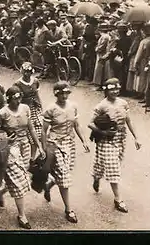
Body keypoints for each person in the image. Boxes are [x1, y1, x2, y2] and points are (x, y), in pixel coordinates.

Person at [0, 86, 45, 229]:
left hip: (24, 145)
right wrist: (6, 138)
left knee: (21, 176)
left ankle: (1, 193)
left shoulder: (25, 108)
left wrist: (39, 147)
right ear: (8, 99)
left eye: (19, 98)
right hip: (10, 149)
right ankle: (21, 215)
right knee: (19, 181)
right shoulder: (2, 113)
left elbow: (31, 128)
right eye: (15, 98)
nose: (18, 101)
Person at [89, 78, 142, 213]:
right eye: (111, 89)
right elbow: (90, 123)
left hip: (120, 139)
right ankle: (118, 199)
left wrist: (136, 137)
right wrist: (103, 131)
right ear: (106, 90)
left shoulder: (123, 103)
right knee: (113, 169)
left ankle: (96, 177)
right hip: (106, 140)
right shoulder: (101, 105)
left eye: (117, 89)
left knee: (103, 164)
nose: (114, 91)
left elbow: (128, 120)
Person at [41, 81, 90, 223]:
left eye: (66, 92)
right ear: (56, 93)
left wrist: (84, 141)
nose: (64, 95)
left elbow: (76, 125)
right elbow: (44, 131)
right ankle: (69, 210)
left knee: (64, 174)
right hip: (55, 144)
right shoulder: (51, 109)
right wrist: (44, 149)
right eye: (61, 93)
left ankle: (48, 185)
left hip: (70, 144)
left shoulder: (73, 106)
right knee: (64, 177)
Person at [13, 62, 42, 158]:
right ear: (22, 71)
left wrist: (41, 106)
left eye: (29, 72)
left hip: (35, 109)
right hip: (24, 110)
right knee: (26, 135)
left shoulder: (35, 81)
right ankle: (23, 157)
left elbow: (37, 95)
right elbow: (17, 99)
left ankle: (32, 158)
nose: (27, 74)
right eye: (25, 71)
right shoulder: (17, 84)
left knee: (38, 134)